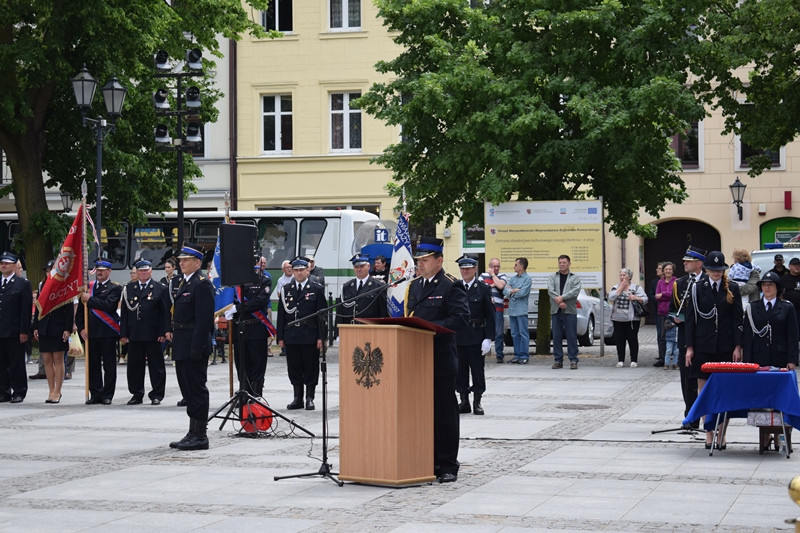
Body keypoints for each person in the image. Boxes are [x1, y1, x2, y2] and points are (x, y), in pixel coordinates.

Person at [404, 236, 469, 483]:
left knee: (444, 414)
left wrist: (429, 328)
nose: (419, 264)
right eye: (418, 260)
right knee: (422, 414)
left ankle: (448, 464)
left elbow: (460, 319)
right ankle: (428, 460)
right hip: (417, 360)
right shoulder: (414, 286)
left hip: (440, 360)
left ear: (439, 261)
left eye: (425, 260)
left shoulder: (450, 285)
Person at [685, 250, 743, 449]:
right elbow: (691, 319)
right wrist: (689, 347)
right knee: (704, 392)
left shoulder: (732, 287)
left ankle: (722, 434)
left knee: (725, 392)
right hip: (703, 346)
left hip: (725, 346)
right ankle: (709, 432)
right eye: (713, 269)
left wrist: (738, 346)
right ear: (707, 269)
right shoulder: (697, 288)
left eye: (719, 269)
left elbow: (737, 319)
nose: (716, 273)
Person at [743, 271, 799, 450]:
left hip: (780, 358)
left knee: (779, 397)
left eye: (770, 285)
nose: (767, 288)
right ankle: (765, 435)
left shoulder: (787, 307)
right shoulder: (753, 307)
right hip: (759, 359)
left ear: (777, 288)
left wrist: (792, 359)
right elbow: (747, 337)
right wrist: (747, 362)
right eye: (764, 285)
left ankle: (779, 435)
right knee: (762, 398)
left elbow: (793, 335)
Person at [167, 243, 215, 451]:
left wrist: (197, 346)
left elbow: (204, 320)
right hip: (182, 342)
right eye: (181, 260)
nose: (181, 263)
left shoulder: (201, 284)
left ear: (197, 263)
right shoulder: (184, 282)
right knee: (187, 389)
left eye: (186, 260)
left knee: (196, 389)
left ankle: (200, 435)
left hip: (194, 344)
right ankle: (192, 431)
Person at [276, 256, 326, 411]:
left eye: (301, 270)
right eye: (296, 270)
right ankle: (297, 397)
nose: (298, 273)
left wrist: (321, 337)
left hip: (309, 334)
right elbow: (282, 315)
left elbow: (322, 316)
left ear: (307, 270)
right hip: (292, 334)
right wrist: (280, 337)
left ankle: (310, 397)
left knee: (310, 367)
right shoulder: (286, 289)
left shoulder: (316, 289)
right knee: (294, 367)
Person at [120, 259, 170, 405]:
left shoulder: (160, 288)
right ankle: (137, 394)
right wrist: (123, 333)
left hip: (154, 334)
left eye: (146, 270)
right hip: (134, 333)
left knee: (156, 366)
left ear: (151, 271)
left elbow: (165, 313)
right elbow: (124, 313)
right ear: (137, 272)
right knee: (134, 366)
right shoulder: (129, 288)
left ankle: (157, 394)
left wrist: (164, 331)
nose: (143, 273)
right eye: (141, 271)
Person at [75, 259, 122, 405]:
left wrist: (90, 300)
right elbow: (80, 313)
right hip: (91, 333)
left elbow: (109, 305)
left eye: (103, 270)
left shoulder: (115, 288)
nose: (100, 272)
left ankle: (107, 395)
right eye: (98, 270)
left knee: (109, 366)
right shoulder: (88, 288)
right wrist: (81, 328)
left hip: (107, 332)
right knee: (92, 365)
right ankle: (95, 393)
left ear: (109, 271)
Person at [669, 245, 707, 423]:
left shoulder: (708, 281)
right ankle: (690, 417)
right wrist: (675, 318)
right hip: (685, 336)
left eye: (689, 261)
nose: (684, 263)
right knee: (687, 379)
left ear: (699, 263)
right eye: (685, 260)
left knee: (704, 379)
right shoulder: (680, 283)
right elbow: (672, 309)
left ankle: (707, 417)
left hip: (704, 337)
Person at [455, 254, 494, 416]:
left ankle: (477, 401)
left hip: (476, 335)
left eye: (468, 268)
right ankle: (464, 401)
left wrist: (488, 338)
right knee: (460, 370)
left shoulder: (483, 288)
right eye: (462, 269)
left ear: (475, 269)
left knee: (477, 371)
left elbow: (490, 315)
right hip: (458, 336)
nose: (465, 271)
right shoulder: (455, 287)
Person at [230, 260, 273, 397]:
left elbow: (260, 301)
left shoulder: (263, 280)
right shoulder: (236, 282)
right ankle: (244, 392)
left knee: (257, 363)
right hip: (240, 328)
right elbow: (229, 300)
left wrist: (238, 308)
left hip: (256, 328)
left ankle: (256, 394)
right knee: (241, 363)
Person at [32, 260, 72, 403]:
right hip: (44, 326)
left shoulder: (64, 286)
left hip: (58, 327)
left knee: (58, 359)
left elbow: (68, 310)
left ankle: (58, 391)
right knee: (47, 360)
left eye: (52, 271)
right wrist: (35, 326)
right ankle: (51, 390)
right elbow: (38, 307)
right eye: (47, 271)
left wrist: (67, 328)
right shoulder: (42, 285)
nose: (49, 273)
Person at [0, 252, 33, 403]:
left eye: (7, 263)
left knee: (16, 363)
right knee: (2, 363)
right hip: (1, 330)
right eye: (2, 263)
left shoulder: (22, 284)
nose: (3, 265)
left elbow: (25, 310)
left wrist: (24, 331)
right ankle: (4, 391)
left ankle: (19, 391)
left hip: (14, 331)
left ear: (14, 266)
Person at [608, 268, 648, 368]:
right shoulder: (616, 287)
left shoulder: (636, 288)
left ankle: (634, 360)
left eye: (624, 275)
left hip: (632, 319)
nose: (622, 277)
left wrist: (636, 298)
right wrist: (621, 287)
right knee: (619, 340)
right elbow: (611, 297)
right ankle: (620, 360)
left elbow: (645, 299)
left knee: (632, 339)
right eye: (621, 275)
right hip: (617, 318)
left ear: (629, 277)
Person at [547, 254, 582, 369]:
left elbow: (575, 291)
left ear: (569, 264)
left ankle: (573, 360)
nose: (562, 264)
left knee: (571, 336)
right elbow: (550, 290)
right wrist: (559, 302)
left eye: (564, 262)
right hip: (556, 310)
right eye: (560, 262)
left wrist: (562, 298)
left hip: (570, 310)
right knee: (556, 336)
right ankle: (558, 360)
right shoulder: (553, 276)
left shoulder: (575, 277)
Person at [335, 253, 388, 327]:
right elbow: (340, 313)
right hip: (349, 329)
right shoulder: (346, 287)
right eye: (356, 267)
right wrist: (338, 332)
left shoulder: (378, 286)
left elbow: (383, 313)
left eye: (362, 266)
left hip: (370, 329)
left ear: (368, 266)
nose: (359, 269)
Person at [479, 257, 508, 363]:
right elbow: (481, 289)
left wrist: (493, 276)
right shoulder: (482, 276)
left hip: (498, 308)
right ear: (489, 266)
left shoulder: (502, 275)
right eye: (494, 266)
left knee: (498, 332)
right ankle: (483, 352)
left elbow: (500, 285)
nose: (496, 268)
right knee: (483, 330)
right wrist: (493, 285)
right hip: (485, 308)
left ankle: (499, 354)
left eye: (498, 266)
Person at [503, 257, 531, 364]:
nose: (514, 267)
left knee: (523, 333)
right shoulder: (513, 279)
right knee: (514, 333)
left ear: (521, 267)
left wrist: (511, 293)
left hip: (521, 310)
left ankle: (524, 355)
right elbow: (505, 291)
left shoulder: (527, 279)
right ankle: (517, 355)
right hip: (512, 310)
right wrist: (513, 291)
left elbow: (522, 293)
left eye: (516, 265)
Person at [272, 259, 294, 357]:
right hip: (285, 304)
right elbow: (279, 293)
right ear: (283, 270)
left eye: (290, 267)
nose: (289, 269)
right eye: (287, 267)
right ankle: (283, 348)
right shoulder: (281, 280)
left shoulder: (295, 278)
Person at [655, 261, 676, 365]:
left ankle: (675, 359)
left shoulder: (676, 281)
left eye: (670, 269)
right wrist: (665, 295)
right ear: (663, 271)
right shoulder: (660, 282)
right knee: (662, 335)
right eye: (666, 269)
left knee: (674, 335)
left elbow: (673, 295)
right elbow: (656, 296)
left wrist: (663, 294)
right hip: (662, 312)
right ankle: (662, 358)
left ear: (673, 271)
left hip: (672, 312)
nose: (668, 271)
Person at [648, 262, 665, 367]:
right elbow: (650, 294)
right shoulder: (654, 282)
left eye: (659, 268)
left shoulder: (672, 281)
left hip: (668, 311)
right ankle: (661, 355)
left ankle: (670, 353)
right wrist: (657, 299)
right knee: (660, 333)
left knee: (669, 333)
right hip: (658, 310)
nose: (657, 270)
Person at [780, 257, 800, 330]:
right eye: (794, 265)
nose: (797, 267)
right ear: (789, 266)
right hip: (788, 310)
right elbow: (779, 295)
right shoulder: (783, 279)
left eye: (798, 265)